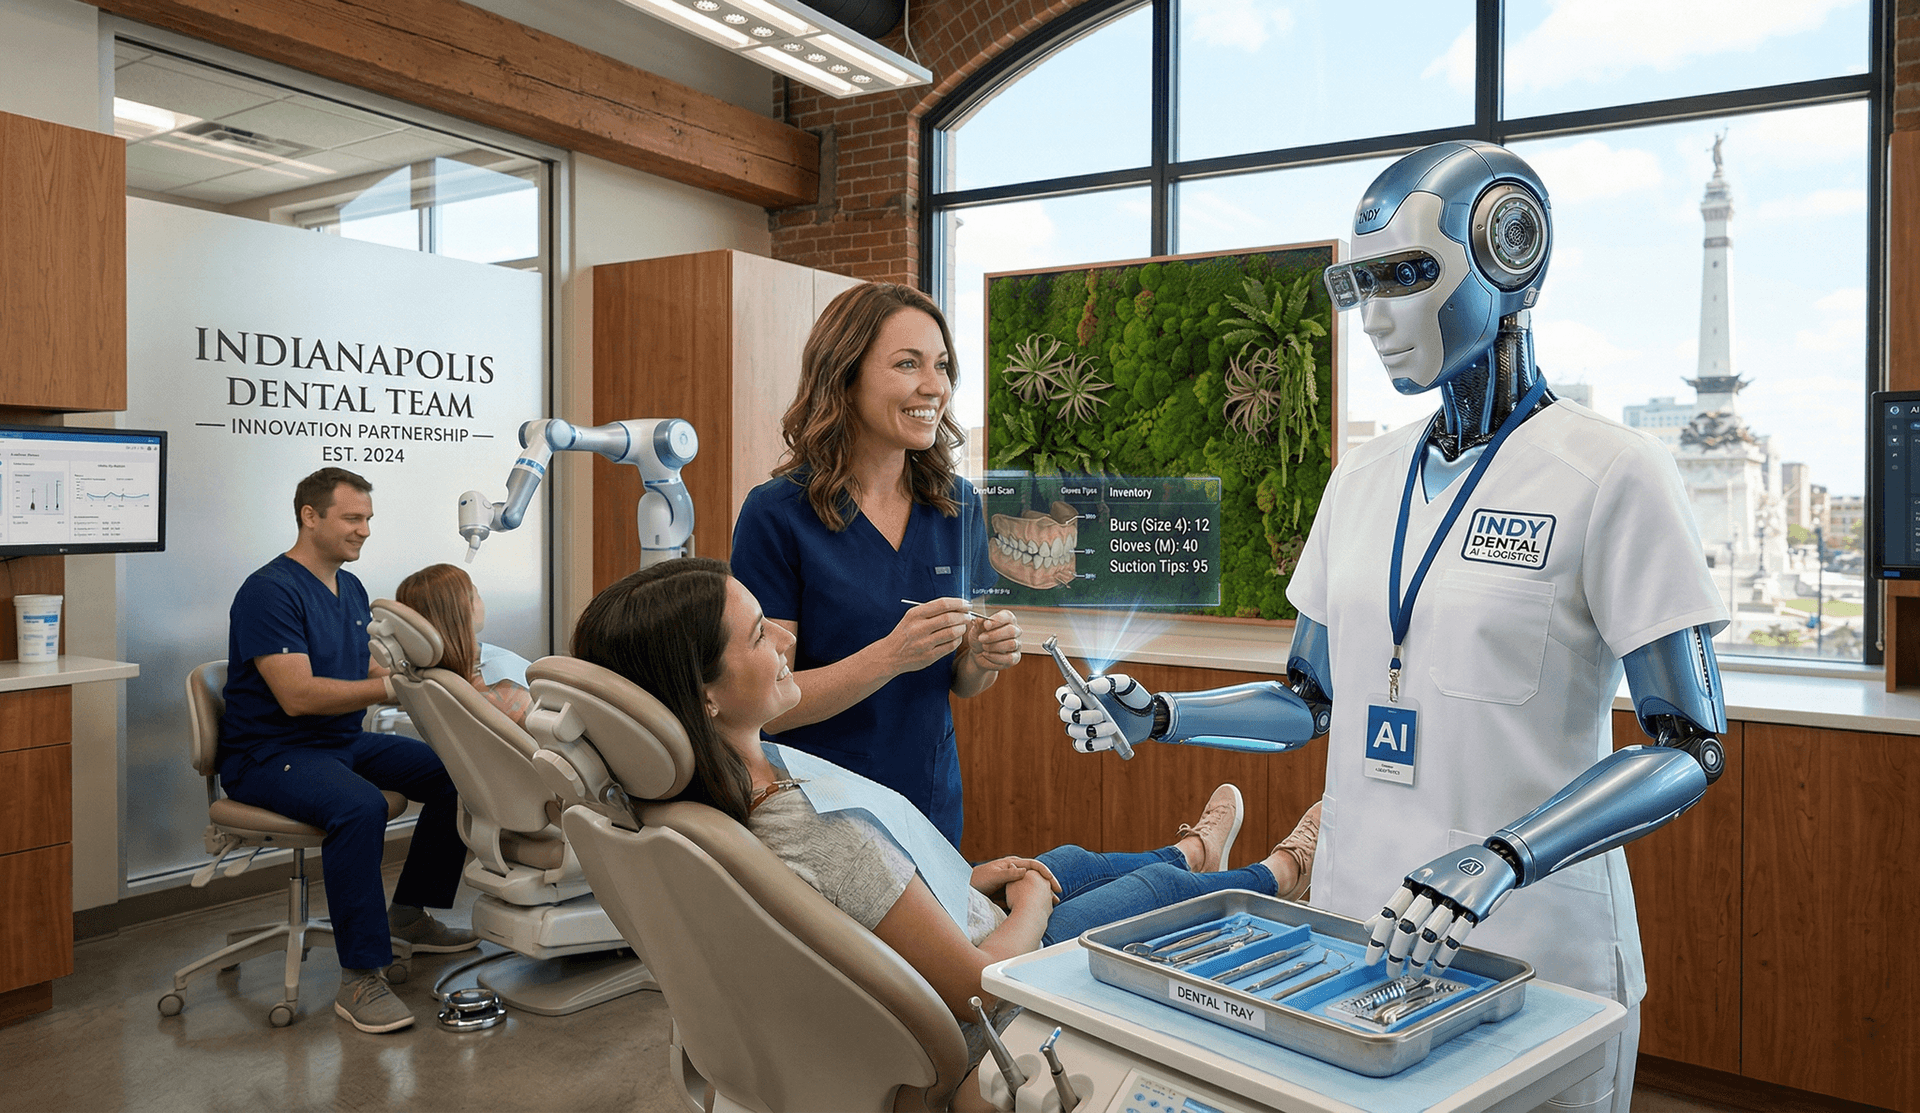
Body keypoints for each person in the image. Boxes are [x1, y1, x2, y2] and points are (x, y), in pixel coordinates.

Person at [1056, 142, 1730, 1113]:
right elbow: (1310, 698)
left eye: (1406, 276)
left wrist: (1505, 854)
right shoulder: (1364, 479)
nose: (1375, 317)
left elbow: (1689, 742)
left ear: (1509, 254)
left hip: (1533, 943)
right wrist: (1162, 715)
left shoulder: (1613, 472)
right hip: (1352, 934)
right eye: (1359, 285)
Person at [569, 558, 1322, 1049]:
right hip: (996, 983)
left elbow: (863, 902)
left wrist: (973, 881)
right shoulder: (817, 835)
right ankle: (1285, 872)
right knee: (1138, 890)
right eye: (761, 635)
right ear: (704, 694)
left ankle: (1195, 851)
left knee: (1064, 858)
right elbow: (973, 988)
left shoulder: (718, 800)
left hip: (950, 924)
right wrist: (1030, 904)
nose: (787, 644)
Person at [731, 282, 1020, 847]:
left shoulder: (959, 506)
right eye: (907, 364)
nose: (934, 386)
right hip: (821, 808)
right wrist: (890, 656)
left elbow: (961, 681)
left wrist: (982, 658)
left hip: (929, 796)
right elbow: (764, 708)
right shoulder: (777, 514)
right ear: (845, 375)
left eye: (941, 365)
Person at [217, 468, 478, 1035]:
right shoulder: (269, 591)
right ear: (309, 517)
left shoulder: (351, 587)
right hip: (268, 754)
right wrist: (391, 690)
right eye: (352, 518)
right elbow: (297, 696)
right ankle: (361, 976)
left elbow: (366, 667)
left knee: (457, 774)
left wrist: (424, 682)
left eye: (368, 519)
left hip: (337, 742)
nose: (364, 531)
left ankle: (408, 915)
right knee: (359, 807)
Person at [395, 563, 531, 725]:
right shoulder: (500, 690)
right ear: (461, 612)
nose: (482, 602)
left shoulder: (426, 677)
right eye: (476, 595)